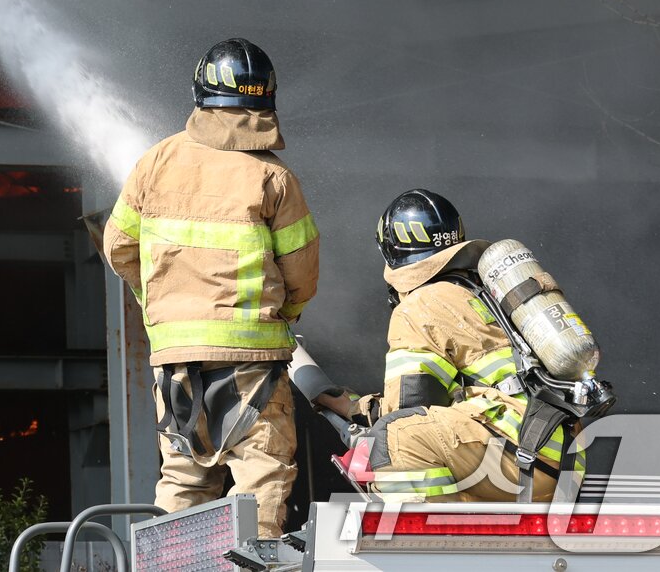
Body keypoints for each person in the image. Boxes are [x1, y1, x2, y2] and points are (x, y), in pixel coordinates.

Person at [102, 38, 319, 538]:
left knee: (184, 477)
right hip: (251, 364)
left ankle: (166, 564)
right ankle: (255, 567)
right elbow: (302, 274)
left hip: (175, 361)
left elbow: (118, 248)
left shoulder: (155, 161)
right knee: (261, 474)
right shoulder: (273, 176)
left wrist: (161, 304)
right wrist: (285, 315)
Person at [353, 188, 581, 501]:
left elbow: (409, 406)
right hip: (560, 460)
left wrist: (367, 424)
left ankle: (430, 530)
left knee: (395, 438)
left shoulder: (420, 304)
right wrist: (358, 407)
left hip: (519, 456)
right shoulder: (484, 292)